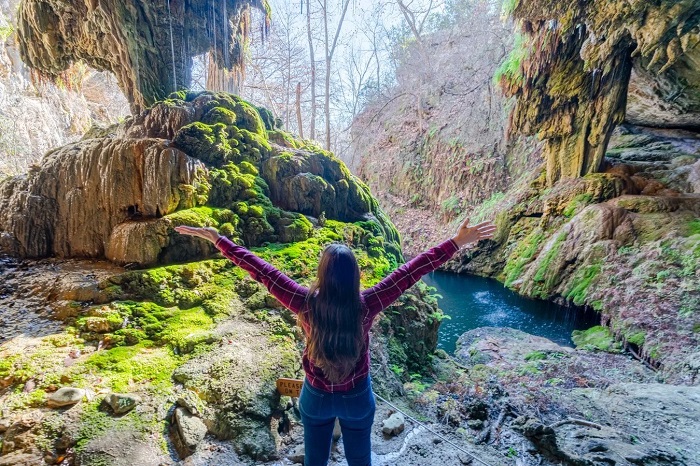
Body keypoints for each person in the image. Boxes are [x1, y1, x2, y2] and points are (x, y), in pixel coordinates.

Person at [175, 217, 496, 466]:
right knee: (360, 461)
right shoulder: (367, 303)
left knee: (315, 462)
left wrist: (220, 240)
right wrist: (455, 242)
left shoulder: (304, 302)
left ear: (322, 273)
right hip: (358, 398)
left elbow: (262, 271)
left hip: (315, 398)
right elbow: (410, 272)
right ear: (355, 276)